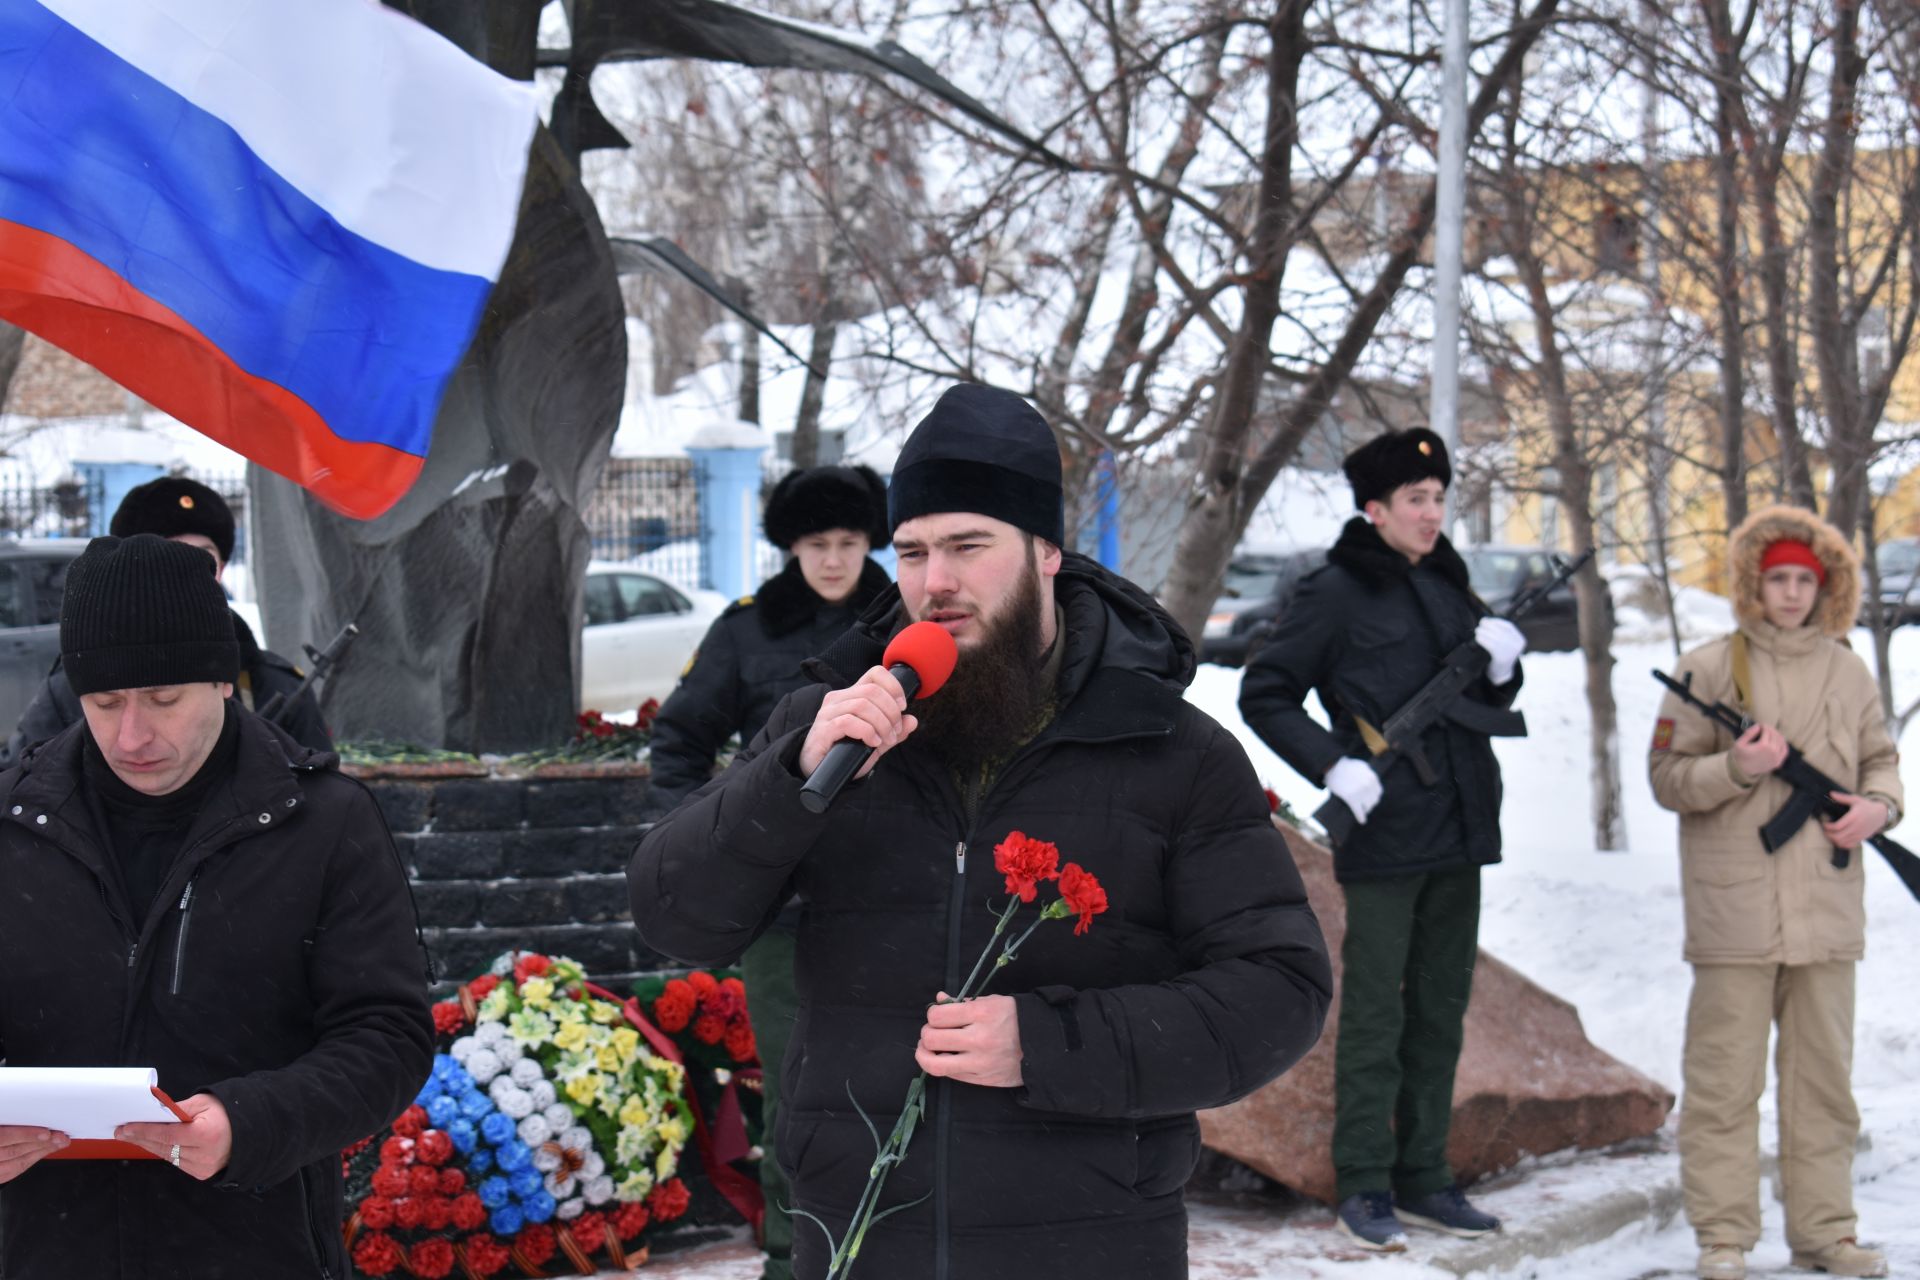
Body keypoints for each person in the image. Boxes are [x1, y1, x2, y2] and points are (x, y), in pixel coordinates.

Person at [629, 383, 1332, 1280]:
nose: (935, 582)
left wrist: (1052, 1045)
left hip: (1087, 1241)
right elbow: (672, 913)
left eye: (968, 546)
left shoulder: (1170, 750)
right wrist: (789, 779)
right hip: (858, 1240)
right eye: (913, 551)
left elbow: (1280, 991)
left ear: (1046, 551)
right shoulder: (829, 724)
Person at [0, 534, 434, 1279]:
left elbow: (387, 1034)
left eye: (163, 700)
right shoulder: (12, 821)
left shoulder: (323, 822)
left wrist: (251, 1123)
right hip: (43, 1247)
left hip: (254, 1244)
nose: (132, 735)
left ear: (223, 681)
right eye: (104, 703)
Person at [1238, 427, 1527, 1251]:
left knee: (1441, 1009)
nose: (1432, 514)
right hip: (1386, 827)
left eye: (1438, 499)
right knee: (1374, 1015)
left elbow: (1480, 692)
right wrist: (1333, 766)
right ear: (1376, 509)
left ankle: (1425, 1175)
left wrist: (1504, 665)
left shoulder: (1447, 579)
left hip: (1462, 825)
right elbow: (1267, 690)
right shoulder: (1337, 591)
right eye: (1415, 501)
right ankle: (1364, 1181)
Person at [641, 463, 893, 1280]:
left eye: (849, 543)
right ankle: (794, 1261)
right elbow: (680, 738)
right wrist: (708, 836)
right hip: (785, 903)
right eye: (816, 544)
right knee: (798, 1091)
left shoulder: (907, 616)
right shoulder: (747, 631)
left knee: (908, 1087)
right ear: (790, 547)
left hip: (901, 893)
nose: (832, 560)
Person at [1649, 506, 1899, 1280]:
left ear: (1825, 588)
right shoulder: (1709, 668)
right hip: (1736, 911)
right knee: (1725, 1083)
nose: (1791, 593)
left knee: (1823, 1084)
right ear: (1755, 584)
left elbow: (1880, 761)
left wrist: (1878, 809)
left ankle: (1826, 1232)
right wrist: (1736, 769)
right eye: (1778, 578)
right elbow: (1666, 780)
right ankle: (1724, 1238)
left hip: (1826, 910)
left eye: (1805, 580)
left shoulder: (1848, 669)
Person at [3, 477, 332, 765]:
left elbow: (320, 804)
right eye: (109, 704)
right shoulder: (71, 688)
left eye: (205, 557)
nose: (133, 737)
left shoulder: (275, 683)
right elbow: (26, 797)